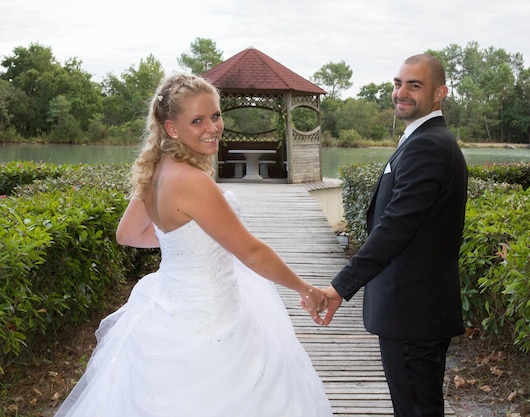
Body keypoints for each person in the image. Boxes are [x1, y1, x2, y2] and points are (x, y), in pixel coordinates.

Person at [54, 73, 332, 417]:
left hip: (170, 302)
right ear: (172, 128)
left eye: (215, 115)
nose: (213, 127)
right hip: (210, 314)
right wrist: (306, 289)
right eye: (197, 120)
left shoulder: (156, 171)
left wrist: (184, 245)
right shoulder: (192, 181)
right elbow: (251, 251)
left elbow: (127, 234)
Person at [318, 54, 468, 417]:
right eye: (398, 83)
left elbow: (396, 226)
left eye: (414, 85)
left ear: (439, 93)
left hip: (413, 312)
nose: (401, 92)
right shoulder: (421, 139)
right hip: (415, 310)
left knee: (416, 409)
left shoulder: (428, 145)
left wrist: (339, 287)